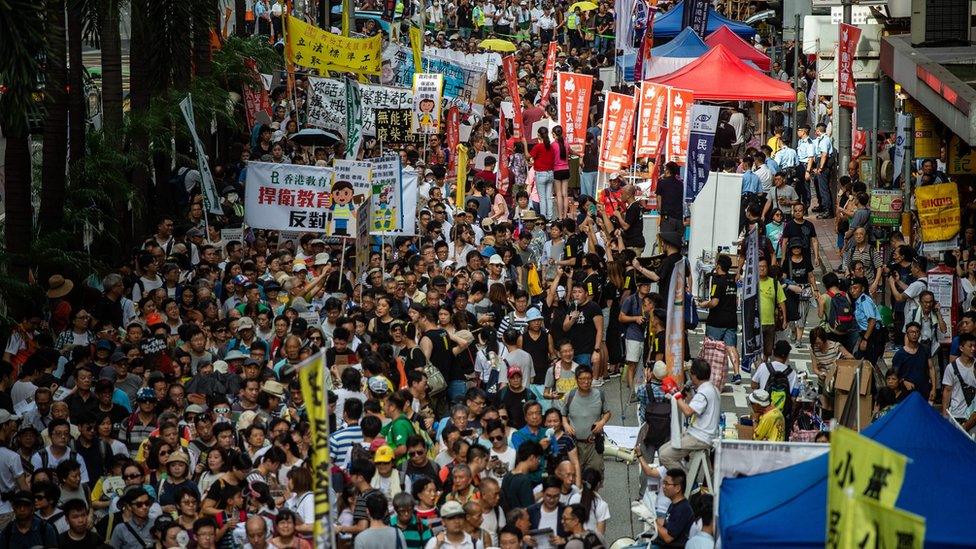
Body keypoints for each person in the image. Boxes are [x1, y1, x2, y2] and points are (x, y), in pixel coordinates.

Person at [658, 360, 720, 471]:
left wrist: (675, 394)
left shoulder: (704, 392)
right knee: (662, 449)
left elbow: (687, 411)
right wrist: (687, 398)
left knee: (664, 456)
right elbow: (699, 408)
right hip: (699, 433)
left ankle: (685, 482)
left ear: (694, 375)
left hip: (700, 436)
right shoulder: (712, 388)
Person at [697, 254, 740, 383]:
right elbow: (736, 300)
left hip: (716, 321)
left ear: (719, 266)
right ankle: (737, 373)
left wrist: (703, 304)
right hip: (731, 320)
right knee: (731, 347)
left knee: (711, 347)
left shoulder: (717, 281)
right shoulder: (732, 281)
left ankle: (708, 374)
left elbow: (714, 302)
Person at [561, 366, 610, 476]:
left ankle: (592, 493)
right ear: (576, 379)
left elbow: (607, 412)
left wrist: (602, 422)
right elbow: (563, 414)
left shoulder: (599, 394)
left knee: (595, 474)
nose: (586, 382)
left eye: (588, 378)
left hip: (593, 443)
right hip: (575, 444)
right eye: (582, 379)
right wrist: (566, 425)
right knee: (575, 474)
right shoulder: (570, 395)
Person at [652, 469, 694, 547]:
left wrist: (650, 520)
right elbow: (665, 526)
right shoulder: (674, 504)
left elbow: (668, 537)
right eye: (663, 483)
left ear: (678, 488)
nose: (663, 486)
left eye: (666, 484)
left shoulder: (683, 509)